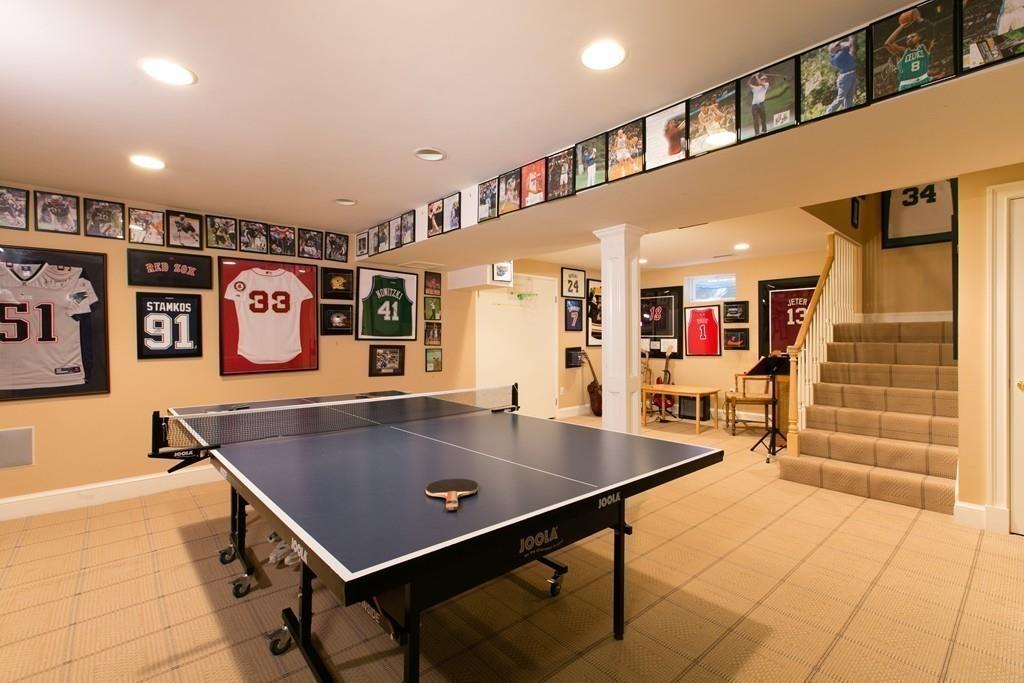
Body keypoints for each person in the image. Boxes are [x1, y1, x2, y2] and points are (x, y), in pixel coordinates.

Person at [885, 14, 935, 91]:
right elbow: (887, 44)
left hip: (924, 79)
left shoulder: (925, 46)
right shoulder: (902, 51)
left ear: (919, 37)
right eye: (907, 38)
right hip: (906, 85)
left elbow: (932, 29)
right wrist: (902, 26)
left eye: (912, 37)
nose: (909, 39)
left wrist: (920, 19)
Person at [825, 37, 858, 114]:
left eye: (839, 44)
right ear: (833, 50)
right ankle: (828, 112)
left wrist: (838, 45)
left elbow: (846, 46)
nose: (839, 45)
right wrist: (841, 44)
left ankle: (848, 113)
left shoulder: (836, 55)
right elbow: (849, 44)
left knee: (849, 97)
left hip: (850, 75)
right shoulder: (839, 56)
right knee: (841, 98)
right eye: (837, 45)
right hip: (846, 77)